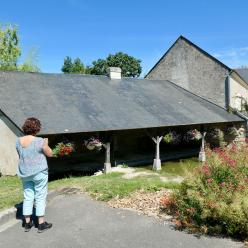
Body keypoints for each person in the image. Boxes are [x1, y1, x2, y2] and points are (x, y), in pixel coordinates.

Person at [16, 117, 53, 233]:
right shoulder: (40, 141)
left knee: (28, 196)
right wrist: (46, 144)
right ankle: (41, 224)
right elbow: (50, 154)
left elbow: (20, 155)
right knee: (40, 196)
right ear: (37, 128)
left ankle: (27, 223)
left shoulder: (18, 141)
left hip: (25, 173)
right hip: (39, 172)